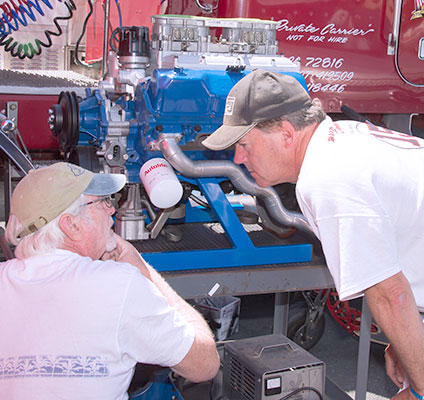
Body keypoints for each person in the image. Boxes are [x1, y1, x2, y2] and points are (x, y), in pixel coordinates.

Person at [203, 69, 424, 400]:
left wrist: (421, 390)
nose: (238, 158)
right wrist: (406, 342)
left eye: (245, 144)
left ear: (287, 134)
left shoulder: (327, 177)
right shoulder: (343, 136)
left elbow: (391, 294)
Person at [0, 162, 219, 399]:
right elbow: (204, 364)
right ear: (71, 225)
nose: (112, 210)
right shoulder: (117, 285)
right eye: (102, 202)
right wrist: (140, 268)